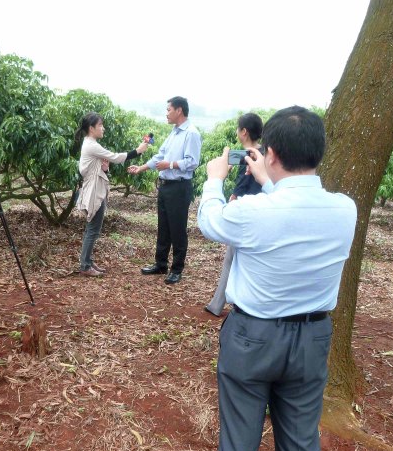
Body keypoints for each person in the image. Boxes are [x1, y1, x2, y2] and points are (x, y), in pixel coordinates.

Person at [197, 106, 357, 451]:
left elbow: (209, 221)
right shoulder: (345, 210)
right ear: (319, 153)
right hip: (312, 339)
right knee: (301, 444)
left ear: (269, 154)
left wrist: (213, 180)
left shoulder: (253, 212)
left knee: (238, 445)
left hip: (252, 338)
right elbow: (295, 210)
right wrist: (270, 183)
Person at [128, 96, 202, 284]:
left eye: (169, 109)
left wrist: (170, 164)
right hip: (166, 186)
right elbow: (159, 156)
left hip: (179, 187)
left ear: (179, 110)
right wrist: (141, 168)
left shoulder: (191, 133)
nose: (166, 113)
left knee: (177, 229)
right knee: (164, 227)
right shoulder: (174, 133)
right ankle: (160, 264)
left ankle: (176, 269)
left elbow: (192, 162)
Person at [205, 113, 265, 316]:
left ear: (244, 131)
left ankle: (217, 304)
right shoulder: (264, 154)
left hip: (245, 212)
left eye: (238, 129)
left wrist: (232, 196)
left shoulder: (247, 155)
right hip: (262, 211)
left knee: (231, 259)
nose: (237, 133)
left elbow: (242, 184)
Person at [75, 112, 149, 276]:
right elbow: (115, 157)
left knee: (92, 228)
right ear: (91, 128)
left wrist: (103, 168)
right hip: (94, 191)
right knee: (93, 229)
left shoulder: (89, 143)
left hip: (96, 188)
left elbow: (88, 168)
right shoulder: (91, 145)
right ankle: (85, 266)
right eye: (100, 125)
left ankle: (87, 261)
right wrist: (137, 151)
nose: (103, 128)